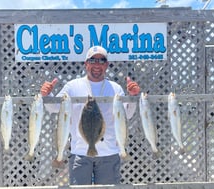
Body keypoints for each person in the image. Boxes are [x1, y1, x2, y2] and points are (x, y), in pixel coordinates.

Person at [40, 45, 140, 185]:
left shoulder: (116, 88)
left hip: (109, 153)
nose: (97, 64)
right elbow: (54, 108)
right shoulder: (72, 86)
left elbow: (127, 115)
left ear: (107, 65)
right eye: (92, 60)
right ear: (86, 64)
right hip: (80, 153)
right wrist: (47, 95)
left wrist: (132, 97)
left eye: (101, 60)